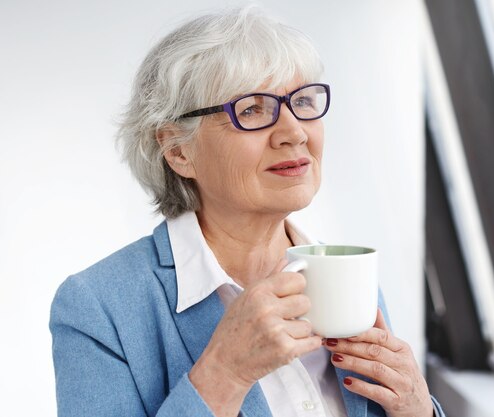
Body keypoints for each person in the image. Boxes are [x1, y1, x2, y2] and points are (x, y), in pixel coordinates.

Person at [49, 6, 445, 417]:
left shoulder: (347, 273)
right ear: (178, 150)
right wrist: (224, 374)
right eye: (253, 109)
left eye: (304, 101)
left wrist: (419, 410)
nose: (294, 132)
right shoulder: (97, 307)